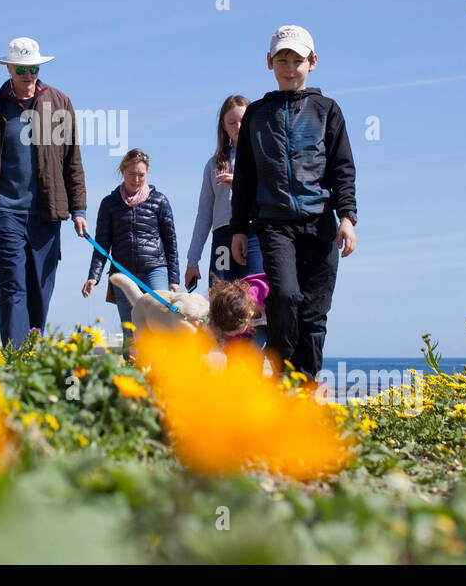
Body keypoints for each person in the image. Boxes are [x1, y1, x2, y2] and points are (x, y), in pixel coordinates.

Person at [229, 25, 357, 381]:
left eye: (297, 60)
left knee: (315, 312)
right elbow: (245, 179)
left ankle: (307, 386)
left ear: (312, 62)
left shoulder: (327, 110)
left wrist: (347, 217)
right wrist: (239, 228)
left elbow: (342, 168)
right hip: (274, 223)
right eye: (282, 59)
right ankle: (281, 373)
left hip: (320, 223)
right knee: (284, 297)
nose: (289, 67)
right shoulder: (256, 114)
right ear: (269, 62)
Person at [0, 37, 88, 348]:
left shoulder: (59, 104)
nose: (28, 75)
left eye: (33, 68)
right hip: (4, 214)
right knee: (12, 290)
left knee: (39, 291)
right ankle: (16, 361)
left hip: (47, 214)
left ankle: (31, 360)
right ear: (9, 68)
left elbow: (72, 161)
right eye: (22, 69)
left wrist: (79, 210)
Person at [183, 95, 267, 347]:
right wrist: (192, 260)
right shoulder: (214, 164)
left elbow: (271, 197)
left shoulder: (262, 156)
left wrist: (241, 185)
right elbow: (203, 214)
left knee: (253, 302)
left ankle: (254, 356)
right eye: (232, 123)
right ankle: (228, 360)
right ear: (223, 125)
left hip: (253, 234)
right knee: (222, 301)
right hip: (222, 236)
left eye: (243, 121)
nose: (238, 127)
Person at [81, 148, 180, 358]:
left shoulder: (159, 200)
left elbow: (170, 241)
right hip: (123, 273)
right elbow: (101, 244)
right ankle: (132, 379)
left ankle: (162, 378)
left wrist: (174, 279)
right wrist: (93, 276)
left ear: (148, 173)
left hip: (155, 270)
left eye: (141, 175)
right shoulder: (109, 204)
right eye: (131, 174)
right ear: (122, 171)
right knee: (131, 332)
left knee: (160, 326)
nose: (136, 180)